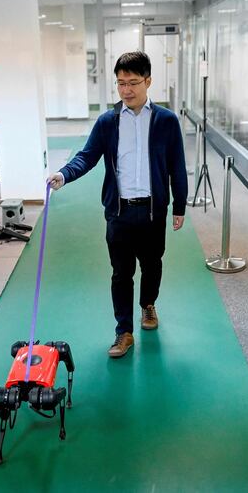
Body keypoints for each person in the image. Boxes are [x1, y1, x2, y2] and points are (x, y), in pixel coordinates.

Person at [47, 51, 188, 358]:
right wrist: (64, 174)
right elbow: (87, 156)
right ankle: (123, 331)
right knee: (121, 273)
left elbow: (177, 165)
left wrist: (179, 206)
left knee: (152, 265)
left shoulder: (166, 121)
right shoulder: (108, 123)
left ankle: (148, 304)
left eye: (133, 82)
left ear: (148, 81)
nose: (126, 90)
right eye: (121, 83)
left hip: (152, 210)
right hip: (119, 212)